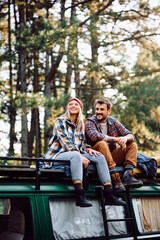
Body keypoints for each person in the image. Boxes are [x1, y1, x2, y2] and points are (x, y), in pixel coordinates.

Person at [43, 98, 126, 207]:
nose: (73, 106)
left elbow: (82, 143)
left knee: (99, 156)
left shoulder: (81, 124)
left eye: (76, 104)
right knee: (76, 156)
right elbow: (66, 142)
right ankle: (80, 195)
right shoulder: (60, 120)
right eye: (70, 104)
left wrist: (88, 149)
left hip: (76, 153)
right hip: (58, 155)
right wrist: (81, 157)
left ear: (80, 108)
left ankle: (109, 193)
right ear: (67, 108)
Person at [85, 98, 143, 192]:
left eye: (102, 109)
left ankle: (128, 175)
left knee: (132, 144)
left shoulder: (113, 122)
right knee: (102, 143)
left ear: (109, 111)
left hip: (110, 156)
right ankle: (114, 177)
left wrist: (125, 138)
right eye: (97, 109)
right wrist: (117, 139)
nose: (98, 112)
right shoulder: (90, 121)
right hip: (95, 157)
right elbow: (94, 136)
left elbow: (131, 135)